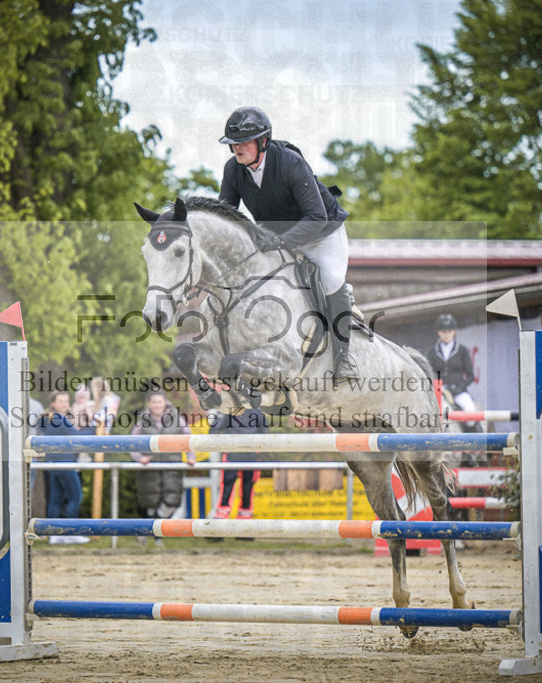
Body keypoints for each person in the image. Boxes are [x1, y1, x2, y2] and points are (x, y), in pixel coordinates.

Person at [217, 105, 357, 384]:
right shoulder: (234, 169)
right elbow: (226, 216)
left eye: (243, 142)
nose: (237, 149)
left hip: (321, 234)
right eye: (233, 144)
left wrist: (280, 241)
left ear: (263, 142)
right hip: (277, 239)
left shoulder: (291, 163)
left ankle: (344, 356)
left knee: (329, 280)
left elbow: (316, 216)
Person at [129, 391, 195, 546]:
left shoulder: (176, 417)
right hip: (150, 466)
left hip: (172, 465)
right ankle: (157, 538)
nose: (157, 405)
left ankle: (146, 531)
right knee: (151, 503)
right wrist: (139, 458)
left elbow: (188, 437)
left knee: (171, 502)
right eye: (154, 402)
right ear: (149, 404)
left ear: (165, 402)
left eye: (160, 402)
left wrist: (191, 457)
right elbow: (132, 440)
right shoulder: (143, 420)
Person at [40, 392, 90, 545]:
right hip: (64, 463)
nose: (64, 404)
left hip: (52, 463)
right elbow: (78, 436)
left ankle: (54, 534)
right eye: (61, 401)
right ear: (53, 403)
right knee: (75, 496)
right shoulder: (59, 419)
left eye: (66, 401)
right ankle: (71, 532)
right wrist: (94, 425)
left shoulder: (47, 419)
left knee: (56, 499)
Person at [211, 408, 268, 521]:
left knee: (248, 489)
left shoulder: (257, 411)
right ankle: (219, 523)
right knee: (227, 487)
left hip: (251, 455)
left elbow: (265, 433)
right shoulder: (226, 408)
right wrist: (224, 444)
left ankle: (244, 524)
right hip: (231, 455)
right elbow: (213, 431)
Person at [427, 314, 478, 428]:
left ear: (454, 331)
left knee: (471, 416)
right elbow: (428, 374)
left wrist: (458, 388)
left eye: (449, 331)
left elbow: (470, 376)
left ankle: (477, 441)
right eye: (443, 331)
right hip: (439, 393)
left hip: (459, 392)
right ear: (438, 332)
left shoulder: (462, 350)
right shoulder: (432, 352)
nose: (446, 334)